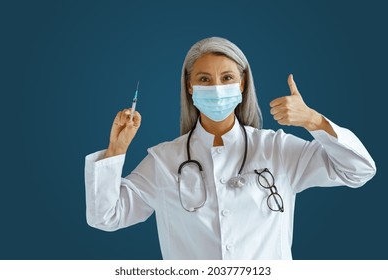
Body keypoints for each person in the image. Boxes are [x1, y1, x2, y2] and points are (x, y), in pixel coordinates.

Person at [84, 37, 376, 259]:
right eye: (204, 79)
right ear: (189, 86)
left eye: (226, 78)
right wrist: (115, 150)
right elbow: (106, 216)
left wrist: (314, 121)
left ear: (242, 83)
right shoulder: (164, 160)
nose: (216, 88)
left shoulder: (277, 148)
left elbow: (358, 170)